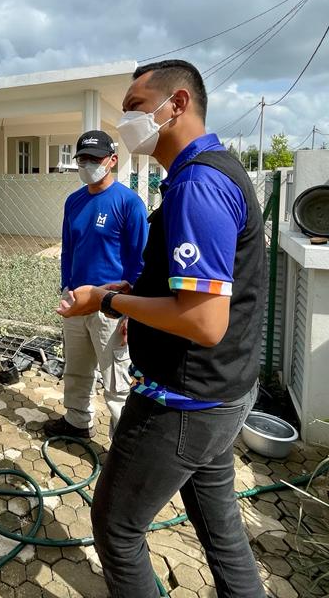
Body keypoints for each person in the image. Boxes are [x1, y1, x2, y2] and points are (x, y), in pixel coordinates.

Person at [59, 60, 267, 598]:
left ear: (175, 104)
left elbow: (202, 320)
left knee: (118, 528)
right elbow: (182, 292)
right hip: (220, 393)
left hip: (184, 402)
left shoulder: (198, 186)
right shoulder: (206, 174)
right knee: (221, 533)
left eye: (133, 107)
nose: (126, 121)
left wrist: (109, 299)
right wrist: (134, 305)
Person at [44, 129, 147, 440]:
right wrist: (66, 287)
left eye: (94, 158)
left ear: (112, 161)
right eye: (82, 158)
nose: (87, 164)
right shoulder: (74, 202)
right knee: (76, 370)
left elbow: (141, 261)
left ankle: (122, 444)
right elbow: (68, 249)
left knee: (116, 380)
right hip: (76, 300)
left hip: (112, 307)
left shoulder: (129, 203)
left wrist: (132, 311)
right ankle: (77, 422)